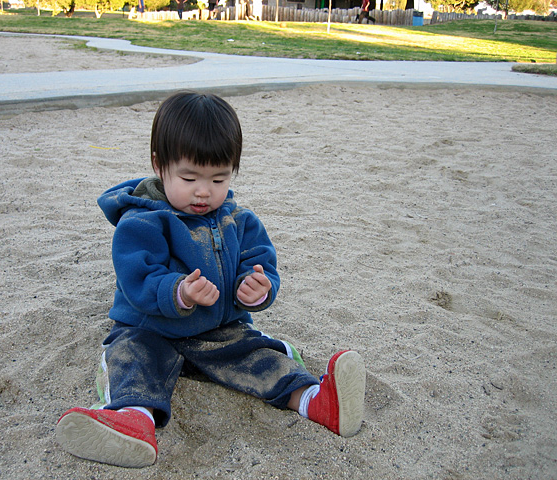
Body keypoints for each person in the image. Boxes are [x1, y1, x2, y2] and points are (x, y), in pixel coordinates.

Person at [55, 91, 366, 469]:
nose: (204, 191)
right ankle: (133, 420)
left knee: (259, 357)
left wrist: (256, 289)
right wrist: (179, 291)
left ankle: (315, 400)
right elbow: (137, 279)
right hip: (151, 328)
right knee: (132, 360)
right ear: (159, 165)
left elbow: (260, 264)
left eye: (219, 178)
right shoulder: (141, 222)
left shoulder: (239, 221)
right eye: (189, 177)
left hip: (218, 330)